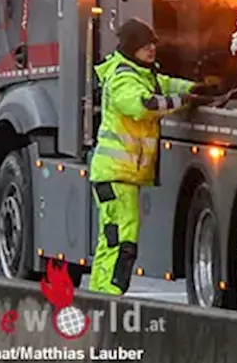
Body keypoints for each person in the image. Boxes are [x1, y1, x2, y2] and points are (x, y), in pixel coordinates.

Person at [87, 19, 212, 295]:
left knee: (113, 239)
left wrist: (191, 88)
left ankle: (100, 294)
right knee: (123, 241)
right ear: (132, 48)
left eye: (153, 44)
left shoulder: (141, 74)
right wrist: (184, 101)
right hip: (116, 175)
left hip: (118, 175)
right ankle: (110, 296)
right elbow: (146, 105)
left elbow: (164, 84)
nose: (152, 49)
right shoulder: (123, 79)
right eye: (145, 45)